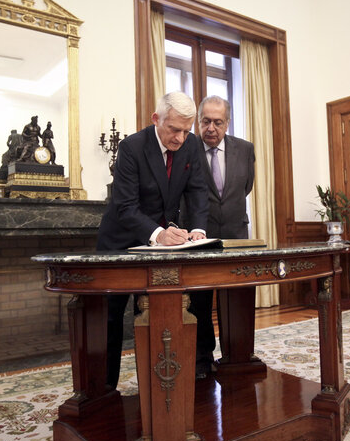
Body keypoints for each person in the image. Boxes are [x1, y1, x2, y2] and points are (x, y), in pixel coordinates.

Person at [96, 91, 210, 390]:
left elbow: (198, 190)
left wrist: (198, 228)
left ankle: (157, 385)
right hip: (120, 242)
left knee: (155, 315)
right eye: (174, 129)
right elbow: (125, 206)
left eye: (186, 131)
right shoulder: (132, 147)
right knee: (110, 319)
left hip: (162, 246)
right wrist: (158, 233)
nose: (180, 138)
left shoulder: (192, 145)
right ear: (156, 119)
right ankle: (104, 391)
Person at [184, 95, 255, 378]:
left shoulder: (245, 149)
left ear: (227, 123)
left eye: (217, 122)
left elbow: (245, 187)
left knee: (237, 296)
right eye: (205, 121)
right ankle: (202, 359)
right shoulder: (187, 148)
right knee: (199, 300)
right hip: (199, 235)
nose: (210, 128)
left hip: (236, 233)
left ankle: (238, 354)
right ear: (198, 121)